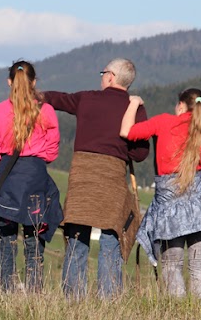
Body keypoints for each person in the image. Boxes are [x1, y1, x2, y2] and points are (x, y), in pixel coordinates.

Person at [40, 59, 150, 299]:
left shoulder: (86, 99)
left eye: (103, 73)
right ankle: (108, 302)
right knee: (111, 236)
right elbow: (141, 153)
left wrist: (35, 94)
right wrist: (121, 149)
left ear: (110, 76)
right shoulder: (135, 108)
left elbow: (58, 99)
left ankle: (73, 301)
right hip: (112, 178)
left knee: (77, 236)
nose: (101, 77)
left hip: (83, 177)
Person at [120, 88, 201, 297]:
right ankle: (199, 315)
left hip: (170, 208)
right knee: (198, 265)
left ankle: (178, 314)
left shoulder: (163, 122)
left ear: (181, 105)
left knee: (172, 264)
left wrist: (134, 102)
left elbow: (126, 131)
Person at [0, 60, 64, 292]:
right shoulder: (46, 110)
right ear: (34, 82)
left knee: (7, 241)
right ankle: (34, 293)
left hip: (8, 181)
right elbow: (52, 150)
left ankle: (7, 292)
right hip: (36, 179)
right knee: (34, 241)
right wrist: (37, 160)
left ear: (9, 82)